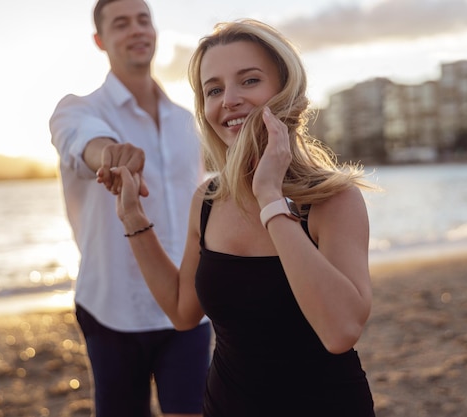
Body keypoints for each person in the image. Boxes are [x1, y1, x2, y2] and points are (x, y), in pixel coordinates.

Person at [110, 19, 377, 416]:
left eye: (249, 81)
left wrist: (270, 198)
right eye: (213, 90)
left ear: (284, 90)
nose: (229, 100)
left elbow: (340, 331)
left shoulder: (333, 199)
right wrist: (132, 217)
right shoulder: (208, 200)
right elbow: (184, 312)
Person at [49, 0, 211, 416]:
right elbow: (83, 143)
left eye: (144, 20)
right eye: (121, 23)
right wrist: (111, 155)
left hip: (189, 305)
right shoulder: (78, 109)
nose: (137, 30)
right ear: (100, 40)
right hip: (112, 306)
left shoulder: (187, 120)